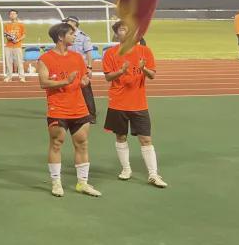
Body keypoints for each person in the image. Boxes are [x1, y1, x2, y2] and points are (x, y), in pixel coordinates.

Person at [38, 22, 100, 197]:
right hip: (58, 109)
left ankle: (83, 183)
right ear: (60, 37)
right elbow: (43, 83)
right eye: (71, 34)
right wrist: (66, 81)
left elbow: (81, 80)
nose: (75, 36)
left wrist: (84, 81)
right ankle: (56, 183)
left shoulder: (77, 57)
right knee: (56, 144)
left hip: (79, 108)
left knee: (82, 144)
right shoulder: (45, 59)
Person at [102, 22, 166, 187]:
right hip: (118, 103)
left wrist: (143, 69)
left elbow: (152, 75)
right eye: (122, 29)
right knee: (120, 136)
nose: (126, 32)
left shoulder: (145, 51)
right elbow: (108, 77)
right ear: (117, 34)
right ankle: (126, 169)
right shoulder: (110, 53)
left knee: (146, 139)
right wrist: (121, 71)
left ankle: (153, 174)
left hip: (139, 104)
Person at [64, 16, 97, 122]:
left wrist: (89, 67)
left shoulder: (83, 37)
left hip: (81, 68)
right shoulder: (65, 36)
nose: (66, 24)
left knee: (86, 91)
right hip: (68, 67)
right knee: (69, 90)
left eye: (68, 22)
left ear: (74, 23)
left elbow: (88, 53)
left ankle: (91, 115)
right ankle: (71, 113)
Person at [2, 10, 27, 82]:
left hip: (17, 46)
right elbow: (5, 34)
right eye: (11, 14)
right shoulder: (7, 25)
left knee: (19, 62)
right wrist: (8, 38)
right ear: (9, 16)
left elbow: (24, 35)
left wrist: (18, 40)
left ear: (16, 15)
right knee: (8, 62)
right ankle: (9, 77)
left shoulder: (21, 24)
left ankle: (22, 77)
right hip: (8, 46)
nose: (12, 15)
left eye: (14, 14)